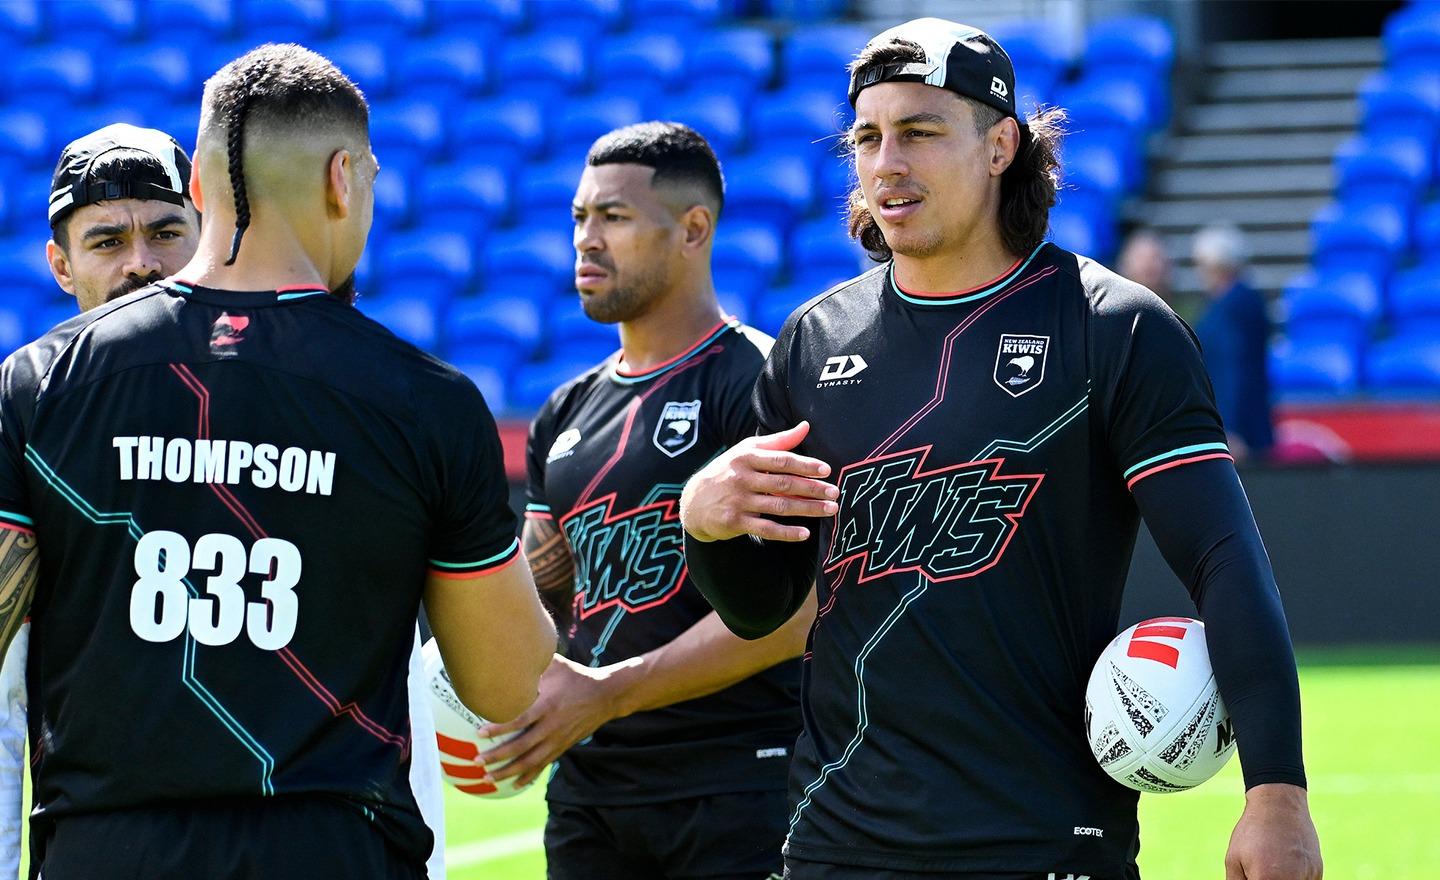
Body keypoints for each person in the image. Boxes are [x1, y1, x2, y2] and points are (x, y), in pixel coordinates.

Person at [679, 19, 1321, 880]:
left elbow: (1223, 557)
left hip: (1042, 843)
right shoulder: (810, 342)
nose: (885, 163)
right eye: (867, 137)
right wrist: (705, 524)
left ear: (1000, 146)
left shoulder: (1112, 326)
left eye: (920, 131)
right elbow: (764, 608)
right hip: (835, 843)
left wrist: (1275, 790)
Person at [0, 44, 554, 879]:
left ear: (197, 189)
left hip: (106, 850)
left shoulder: (40, 381)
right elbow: (505, 687)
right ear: (343, 179)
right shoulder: (424, 400)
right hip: (331, 849)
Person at [479, 122, 813, 880]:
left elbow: (799, 611)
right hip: (590, 795)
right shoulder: (563, 411)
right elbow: (543, 599)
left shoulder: (760, 383)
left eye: (614, 217)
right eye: (578, 217)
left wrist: (608, 693)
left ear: (693, 229)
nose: (586, 239)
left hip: (738, 784)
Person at [1192, 222, 1274, 461]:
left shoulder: (1235, 305)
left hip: (1240, 430)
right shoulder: (1229, 302)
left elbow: (1234, 368)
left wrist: (1231, 427)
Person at [1116, 227, 1173, 306]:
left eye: (1155, 257)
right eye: (1141, 258)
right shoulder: (1111, 309)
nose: (1148, 265)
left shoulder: (1180, 311)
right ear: (1125, 264)